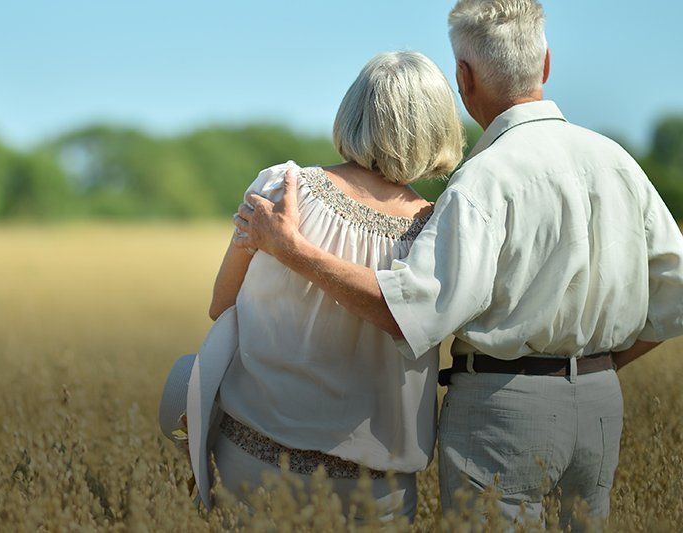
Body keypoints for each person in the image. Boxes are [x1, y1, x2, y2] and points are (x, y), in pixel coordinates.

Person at [232, 0, 683, 528]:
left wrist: (292, 249)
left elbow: (407, 312)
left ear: (464, 78)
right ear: (545, 64)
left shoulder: (484, 178)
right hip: (602, 401)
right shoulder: (619, 162)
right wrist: (591, 371)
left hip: (504, 408)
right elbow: (676, 293)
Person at [208, 51, 464, 522]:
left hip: (252, 458)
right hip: (373, 489)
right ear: (437, 128)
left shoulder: (280, 188)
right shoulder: (439, 230)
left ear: (352, 112)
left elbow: (221, 307)